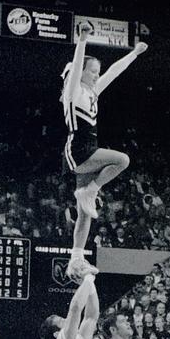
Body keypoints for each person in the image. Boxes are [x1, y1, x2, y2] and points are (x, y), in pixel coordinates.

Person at [60, 22, 148, 279]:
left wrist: (134, 54)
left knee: (85, 212)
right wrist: (83, 39)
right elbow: (76, 66)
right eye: (93, 71)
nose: (97, 75)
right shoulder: (73, 91)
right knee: (123, 159)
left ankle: (76, 260)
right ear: (82, 73)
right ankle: (92, 189)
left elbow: (114, 72)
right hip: (78, 150)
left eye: (97, 71)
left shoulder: (92, 92)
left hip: (89, 148)